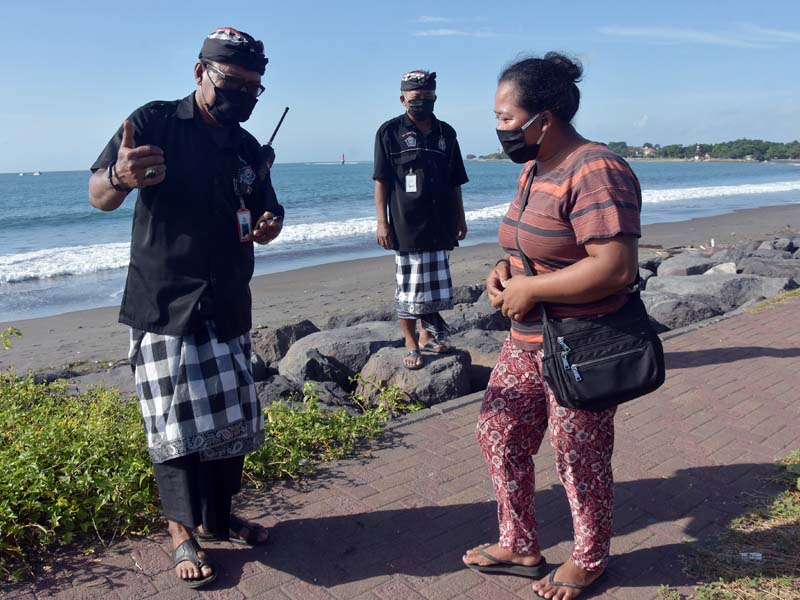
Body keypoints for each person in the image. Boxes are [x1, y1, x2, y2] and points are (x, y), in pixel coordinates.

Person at [88, 27, 283, 589]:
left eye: (254, 87)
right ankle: (182, 532)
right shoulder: (153, 122)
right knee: (172, 427)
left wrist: (269, 227)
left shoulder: (248, 147)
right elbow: (98, 193)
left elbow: (266, 215)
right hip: (164, 300)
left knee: (232, 423)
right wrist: (122, 177)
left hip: (227, 300)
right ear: (200, 72)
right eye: (233, 82)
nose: (243, 94)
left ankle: (220, 519)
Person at [462, 53, 642, 600]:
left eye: (506, 118)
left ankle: (589, 558)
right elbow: (528, 243)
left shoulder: (595, 169)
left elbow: (616, 267)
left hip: (580, 344)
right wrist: (505, 273)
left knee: (577, 455)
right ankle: (519, 544)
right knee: (499, 435)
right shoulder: (535, 167)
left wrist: (531, 289)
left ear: (546, 117)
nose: (499, 129)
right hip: (527, 341)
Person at [373, 70, 469, 370]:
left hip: (440, 222)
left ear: (435, 98)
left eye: (427, 98)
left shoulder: (446, 134)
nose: (422, 103)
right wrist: (382, 222)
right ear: (403, 99)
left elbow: (456, 181)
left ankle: (429, 337)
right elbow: (381, 181)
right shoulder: (389, 133)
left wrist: (460, 217)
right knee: (410, 288)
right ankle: (411, 342)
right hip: (406, 223)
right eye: (416, 99)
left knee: (437, 286)